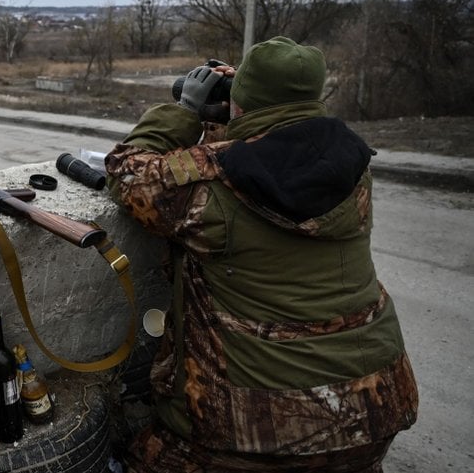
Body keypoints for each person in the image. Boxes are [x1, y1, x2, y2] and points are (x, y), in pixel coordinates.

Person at [105, 36, 417, 473]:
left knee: (136, 459)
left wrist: (188, 112)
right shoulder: (352, 162)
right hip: (374, 412)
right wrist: (236, 118)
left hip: (256, 435)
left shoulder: (213, 184)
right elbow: (270, 157)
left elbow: (125, 172)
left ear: (243, 104)